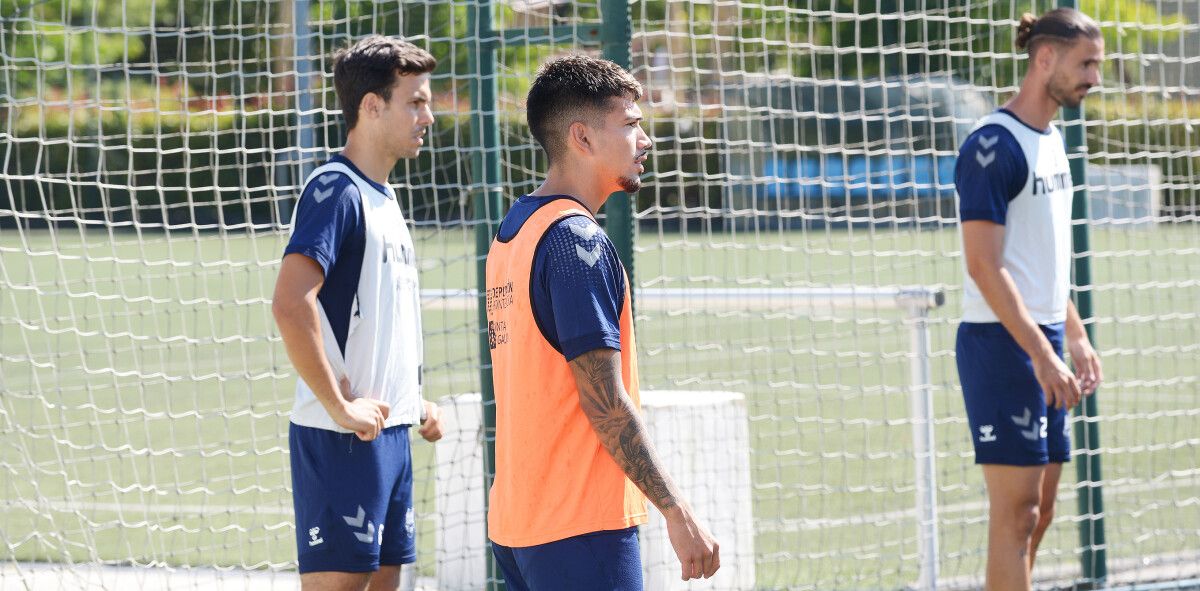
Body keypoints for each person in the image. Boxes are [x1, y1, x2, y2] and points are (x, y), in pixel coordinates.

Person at [483, 54, 720, 590]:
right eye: (631, 125)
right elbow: (604, 402)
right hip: (579, 529)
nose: (645, 141)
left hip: (518, 525)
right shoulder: (576, 242)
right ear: (582, 138)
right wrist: (677, 512)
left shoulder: (513, 232)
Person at [271, 35, 443, 591]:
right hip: (342, 440)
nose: (428, 116)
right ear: (372, 106)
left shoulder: (386, 198)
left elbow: (378, 322)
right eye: (414, 102)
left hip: (390, 436)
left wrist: (415, 402)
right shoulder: (334, 190)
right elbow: (289, 303)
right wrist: (340, 405)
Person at [954, 8, 1105, 590]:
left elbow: (1041, 262)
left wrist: (1073, 333)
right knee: (1015, 515)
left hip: (1044, 341)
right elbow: (984, 267)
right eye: (1084, 63)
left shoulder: (1054, 141)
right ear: (1045, 58)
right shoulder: (992, 146)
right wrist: (1042, 354)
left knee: (1039, 516)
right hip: (1000, 343)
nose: (1094, 77)